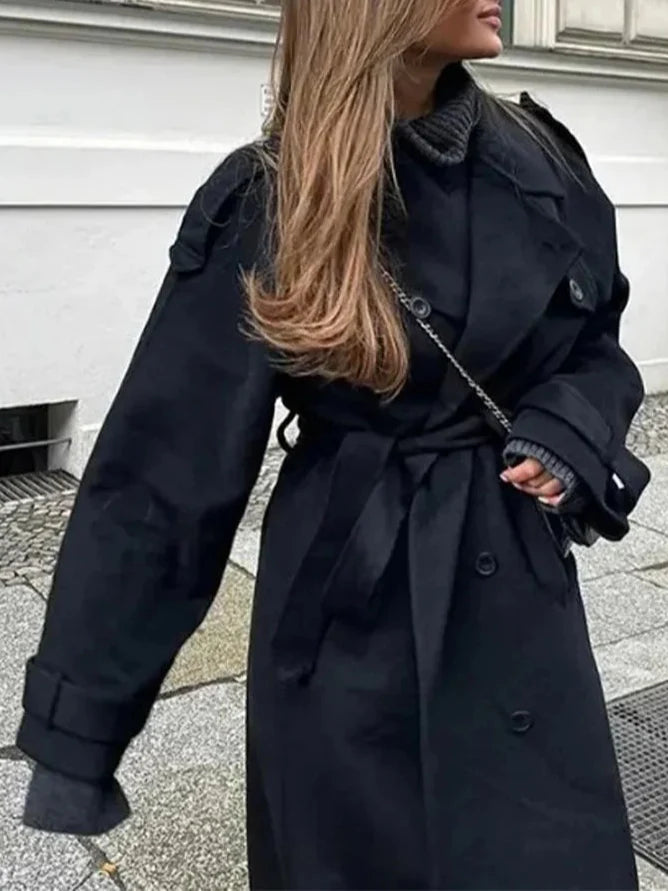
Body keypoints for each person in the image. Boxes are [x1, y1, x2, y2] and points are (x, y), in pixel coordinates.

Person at [17, 0, 651, 888]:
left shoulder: (541, 158)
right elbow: (163, 478)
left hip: (518, 591)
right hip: (348, 601)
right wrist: (79, 726)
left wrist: (569, 430)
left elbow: (598, 347)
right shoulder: (270, 196)